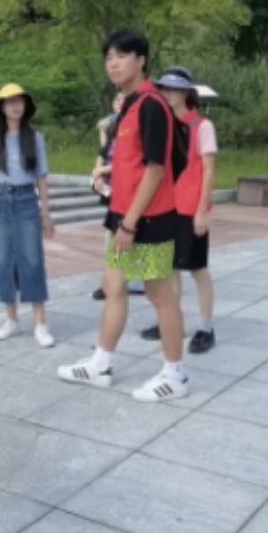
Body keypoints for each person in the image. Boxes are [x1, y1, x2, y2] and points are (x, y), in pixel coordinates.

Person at [57, 30, 189, 403]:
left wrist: (130, 223)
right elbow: (130, 163)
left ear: (141, 60)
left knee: (159, 293)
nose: (113, 63)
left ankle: (175, 375)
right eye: (109, 57)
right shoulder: (128, 106)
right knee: (113, 286)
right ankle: (100, 365)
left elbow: (156, 169)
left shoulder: (151, 105)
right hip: (121, 214)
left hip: (148, 219)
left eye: (122, 55)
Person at [139, 67, 218, 355]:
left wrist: (201, 211)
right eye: (164, 88)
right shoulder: (164, 125)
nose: (168, 93)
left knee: (197, 269)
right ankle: (172, 323)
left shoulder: (202, 126)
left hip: (190, 208)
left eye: (174, 89)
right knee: (169, 268)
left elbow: (209, 171)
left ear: (186, 92)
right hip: (165, 208)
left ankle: (206, 327)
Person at [0, 84, 56, 348]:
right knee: (2, 260)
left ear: (25, 106)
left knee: (32, 259)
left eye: (19, 101)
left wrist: (45, 212)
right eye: (9, 102)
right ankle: (11, 319)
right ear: (1, 108)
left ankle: (40, 323)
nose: (15, 106)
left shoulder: (35, 138)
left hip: (26, 200)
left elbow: (41, 177)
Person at [92, 91, 144, 301]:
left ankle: (126, 280)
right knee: (112, 235)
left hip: (129, 191)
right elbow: (104, 152)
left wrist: (102, 170)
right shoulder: (115, 130)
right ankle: (111, 281)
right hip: (113, 191)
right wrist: (97, 174)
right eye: (117, 99)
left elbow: (128, 162)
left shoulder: (135, 130)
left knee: (124, 233)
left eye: (124, 99)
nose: (120, 103)